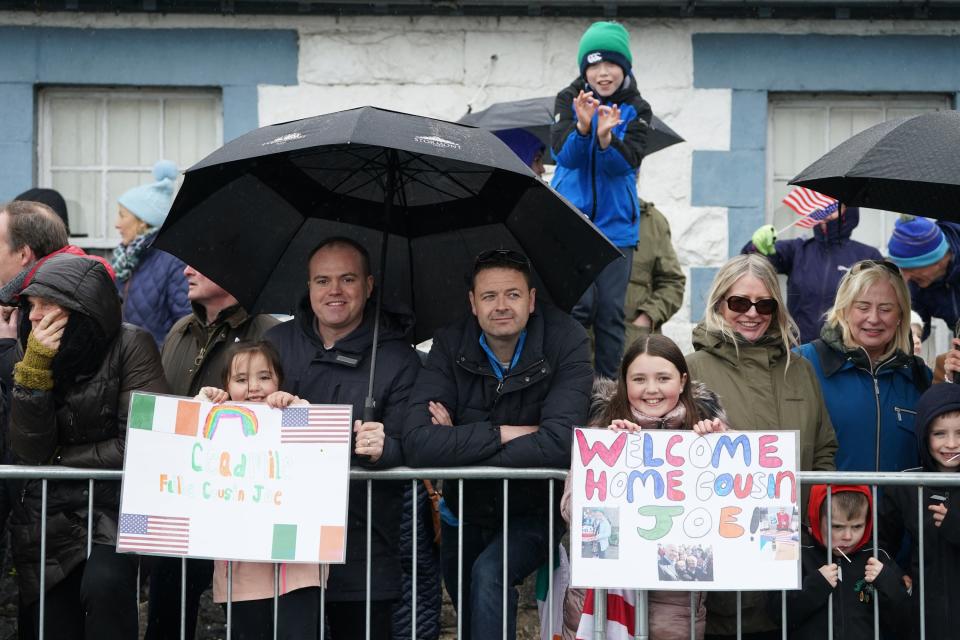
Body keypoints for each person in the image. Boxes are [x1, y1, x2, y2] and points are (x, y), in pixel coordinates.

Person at [402, 248, 593, 640]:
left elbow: (562, 443)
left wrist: (458, 437)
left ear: (532, 299)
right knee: (472, 616)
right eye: (489, 296)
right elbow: (419, 442)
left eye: (513, 294)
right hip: (464, 508)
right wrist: (508, 431)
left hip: (534, 507)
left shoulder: (565, 339)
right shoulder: (451, 342)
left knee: (490, 574)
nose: (501, 305)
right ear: (473, 303)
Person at [264, 236, 419, 639]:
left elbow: (414, 442)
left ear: (369, 286)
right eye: (322, 280)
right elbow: (242, 415)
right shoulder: (276, 346)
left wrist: (387, 447)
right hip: (282, 543)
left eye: (347, 279)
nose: (334, 291)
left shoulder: (398, 358)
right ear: (309, 287)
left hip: (363, 545)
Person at [7, 252, 169, 638]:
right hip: (49, 517)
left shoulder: (132, 344)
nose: (32, 316)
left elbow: (143, 444)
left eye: (46, 305)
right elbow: (30, 451)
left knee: (105, 587)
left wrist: (61, 459)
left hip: (114, 511)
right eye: (31, 305)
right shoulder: (32, 353)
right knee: (54, 618)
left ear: (79, 309)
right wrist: (33, 375)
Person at [685, 253, 838, 640]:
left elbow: (823, 450)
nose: (752, 313)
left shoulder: (799, 369)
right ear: (720, 302)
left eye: (764, 304)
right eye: (739, 302)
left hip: (791, 565)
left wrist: (808, 522)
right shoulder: (693, 368)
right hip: (719, 567)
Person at [562, 334, 724, 640]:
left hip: (675, 604)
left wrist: (721, 444)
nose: (651, 389)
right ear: (625, 383)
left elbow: (735, 509)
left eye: (663, 378)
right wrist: (608, 457)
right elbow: (572, 511)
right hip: (602, 605)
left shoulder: (708, 433)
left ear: (682, 380)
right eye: (639, 379)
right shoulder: (600, 432)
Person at [146, 267, 278, 640]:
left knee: (250, 622)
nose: (186, 270)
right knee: (167, 615)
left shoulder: (269, 332)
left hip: (244, 502)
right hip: (183, 499)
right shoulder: (179, 331)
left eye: (198, 263)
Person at [193, 340, 325, 639]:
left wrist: (292, 404)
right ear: (225, 385)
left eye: (264, 377)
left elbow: (318, 443)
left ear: (279, 380)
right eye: (241, 380)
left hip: (297, 564)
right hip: (240, 565)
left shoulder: (295, 409)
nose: (254, 388)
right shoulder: (219, 416)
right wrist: (205, 400)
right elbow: (189, 431)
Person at [551, 20, 652, 378]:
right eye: (594, 65)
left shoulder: (637, 108)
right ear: (584, 69)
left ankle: (610, 389)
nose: (602, 73)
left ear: (624, 67)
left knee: (610, 312)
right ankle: (571, 380)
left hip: (616, 229)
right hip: (571, 223)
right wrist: (582, 128)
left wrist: (607, 140)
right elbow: (565, 157)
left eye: (610, 64)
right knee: (578, 306)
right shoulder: (569, 99)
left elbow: (628, 163)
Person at [795, 260, 929, 472]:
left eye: (885, 309)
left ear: (900, 316)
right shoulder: (802, 363)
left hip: (900, 506)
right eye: (862, 307)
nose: (873, 318)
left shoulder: (919, 376)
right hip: (827, 504)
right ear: (844, 310)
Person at [879, 383, 960, 639]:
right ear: (924, 436)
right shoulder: (907, 485)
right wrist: (894, 576)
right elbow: (879, 540)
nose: (951, 444)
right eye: (939, 434)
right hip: (924, 616)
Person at [785, 485, 908, 639]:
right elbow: (779, 615)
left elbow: (904, 619)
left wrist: (886, 581)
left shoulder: (876, 556)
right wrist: (816, 585)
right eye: (837, 526)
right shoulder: (800, 554)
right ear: (816, 518)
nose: (848, 536)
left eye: (857, 526)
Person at [744, 206, 882, 343]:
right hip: (798, 349)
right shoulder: (798, 249)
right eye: (823, 203)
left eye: (834, 205)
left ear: (849, 211)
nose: (826, 210)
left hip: (846, 350)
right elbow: (753, 266)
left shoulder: (868, 256)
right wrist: (755, 247)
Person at [111, 160, 190, 346]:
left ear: (143, 222)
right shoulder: (125, 261)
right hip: (126, 365)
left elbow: (185, 324)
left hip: (158, 368)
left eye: (122, 215)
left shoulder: (172, 261)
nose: (117, 224)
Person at [887, 216, 960, 341]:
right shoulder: (915, 284)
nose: (905, 278)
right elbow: (918, 325)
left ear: (938, 259)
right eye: (901, 270)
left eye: (911, 269)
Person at [623, 200, 686, 344]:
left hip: (633, 345)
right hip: (581, 347)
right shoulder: (577, 210)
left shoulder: (652, 222)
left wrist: (646, 318)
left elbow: (673, 283)